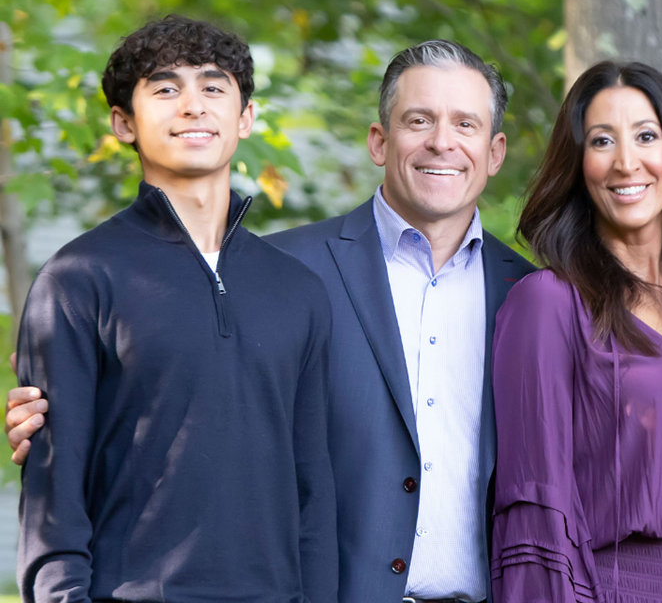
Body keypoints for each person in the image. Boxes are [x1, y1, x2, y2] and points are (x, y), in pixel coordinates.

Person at [7, 39, 536, 603]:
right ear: (379, 141)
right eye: (419, 120)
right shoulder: (283, 272)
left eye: (465, 124)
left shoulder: (532, 296)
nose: (442, 142)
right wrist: (72, 413)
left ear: (496, 151)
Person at [13, 16, 337, 602]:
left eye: (214, 88)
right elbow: (53, 500)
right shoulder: (78, 279)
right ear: (123, 123)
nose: (192, 105)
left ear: (245, 119)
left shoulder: (299, 290)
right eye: (165, 89)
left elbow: (313, 488)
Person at [490, 61, 662, 602]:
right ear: (579, 164)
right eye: (602, 141)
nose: (627, 163)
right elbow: (535, 507)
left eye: (646, 136)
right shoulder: (549, 303)